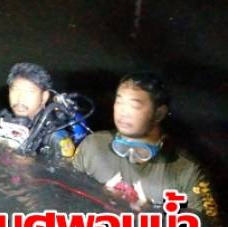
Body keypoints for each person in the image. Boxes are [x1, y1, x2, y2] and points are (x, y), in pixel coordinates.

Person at [73, 72, 217, 216]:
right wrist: (99, 195)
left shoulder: (186, 170)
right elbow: (67, 199)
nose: (123, 112)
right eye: (119, 102)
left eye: (134, 105)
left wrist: (150, 214)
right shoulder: (92, 146)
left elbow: (206, 226)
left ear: (159, 113)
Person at [0, 62, 90, 158]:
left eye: (29, 91)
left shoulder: (55, 135)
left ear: (44, 97)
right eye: (15, 90)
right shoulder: (4, 118)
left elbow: (66, 171)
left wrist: (32, 165)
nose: (20, 97)